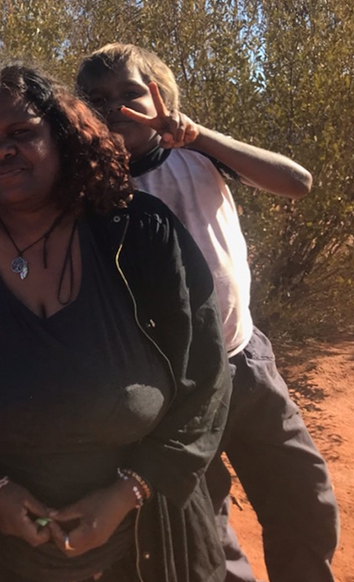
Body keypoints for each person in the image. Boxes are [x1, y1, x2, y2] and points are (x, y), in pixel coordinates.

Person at [0, 64, 231, 582]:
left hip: (148, 541)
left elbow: (206, 377)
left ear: (63, 135)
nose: (0, 151)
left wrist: (130, 490)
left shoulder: (140, 230)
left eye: (20, 132)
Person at [75, 43, 339, 582]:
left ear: (162, 98)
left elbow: (297, 182)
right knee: (203, 522)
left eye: (130, 93)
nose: (116, 107)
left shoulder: (198, 155)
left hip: (245, 359)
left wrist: (197, 136)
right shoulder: (91, 188)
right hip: (176, 386)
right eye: (97, 100)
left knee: (302, 494)